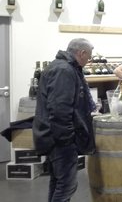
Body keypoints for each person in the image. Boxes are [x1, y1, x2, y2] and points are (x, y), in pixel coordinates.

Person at [33, 38, 96, 202]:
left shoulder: (61, 67)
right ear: (81, 53)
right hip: (60, 140)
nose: (88, 61)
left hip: (54, 137)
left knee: (58, 183)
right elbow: (60, 110)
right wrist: (67, 140)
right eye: (88, 57)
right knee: (67, 186)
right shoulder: (65, 70)